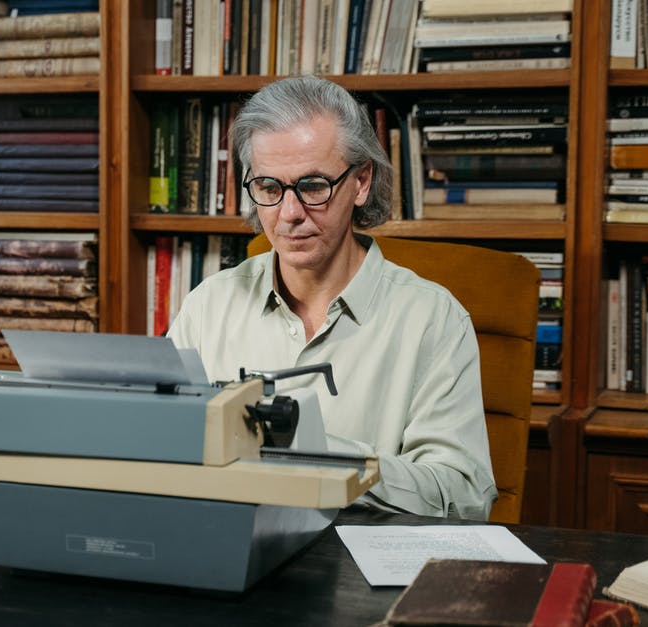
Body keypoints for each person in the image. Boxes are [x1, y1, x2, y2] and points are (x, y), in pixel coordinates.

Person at [166, 76, 496, 520]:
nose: (290, 214)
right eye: (268, 188)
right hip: (233, 555)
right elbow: (163, 449)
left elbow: (464, 494)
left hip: (359, 571)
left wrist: (321, 456)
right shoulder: (208, 306)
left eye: (314, 186)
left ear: (361, 182)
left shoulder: (433, 319)